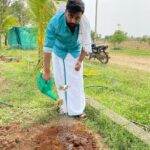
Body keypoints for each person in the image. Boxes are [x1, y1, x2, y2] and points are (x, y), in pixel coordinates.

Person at [43, 0, 91, 119]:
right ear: (65, 12)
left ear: (81, 16)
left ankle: (78, 110)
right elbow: (48, 47)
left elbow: (86, 45)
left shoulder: (84, 23)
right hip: (58, 52)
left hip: (74, 52)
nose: (74, 21)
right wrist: (47, 71)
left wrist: (80, 61)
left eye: (77, 18)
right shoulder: (55, 22)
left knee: (76, 81)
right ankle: (63, 107)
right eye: (70, 16)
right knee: (61, 82)